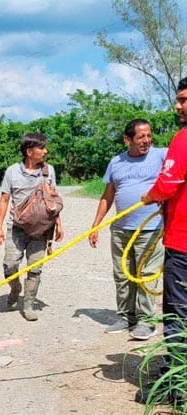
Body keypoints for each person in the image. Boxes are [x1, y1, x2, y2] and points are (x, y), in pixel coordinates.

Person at [89, 119, 165, 341]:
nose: (147, 141)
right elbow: (108, 195)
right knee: (122, 275)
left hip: (150, 229)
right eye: (141, 137)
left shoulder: (162, 156)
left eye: (149, 135)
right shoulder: (116, 162)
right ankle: (125, 316)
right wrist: (96, 225)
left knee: (146, 276)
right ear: (127, 139)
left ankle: (146, 321)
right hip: (121, 229)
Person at [141, 77, 187, 387]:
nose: (178, 106)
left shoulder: (183, 139)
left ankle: (176, 383)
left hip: (182, 245)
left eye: (184, 99)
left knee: (178, 314)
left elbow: (167, 184)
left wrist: (150, 198)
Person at [0, 133, 64, 321]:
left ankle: (28, 304)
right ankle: (15, 288)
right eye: (41, 148)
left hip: (41, 231)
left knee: (35, 268)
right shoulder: (12, 172)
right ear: (29, 152)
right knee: (10, 265)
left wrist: (58, 225)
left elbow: (53, 199)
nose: (45, 151)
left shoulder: (49, 171)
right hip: (17, 228)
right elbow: (4, 200)